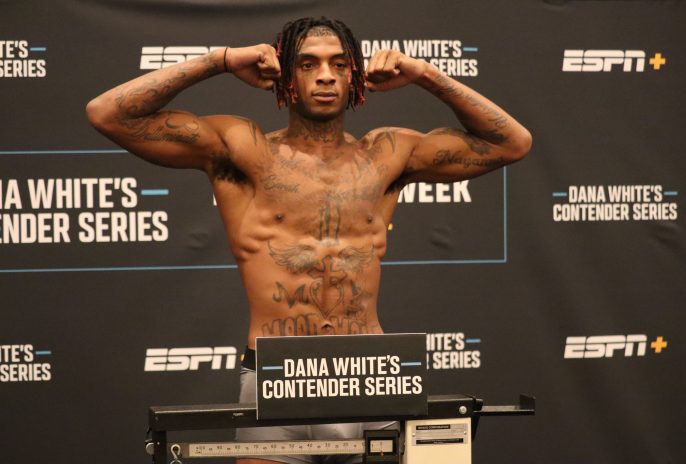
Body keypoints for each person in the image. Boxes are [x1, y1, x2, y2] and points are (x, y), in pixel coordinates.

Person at [87, 16, 531, 464]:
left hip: (371, 376)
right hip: (276, 378)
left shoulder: (388, 154)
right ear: (285, 76)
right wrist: (220, 60)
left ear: (355, 77)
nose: (325, 75)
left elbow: (513, 143)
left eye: (339, 64)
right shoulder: (243, 150)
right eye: (307, 64)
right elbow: (108, 114)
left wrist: (425, 74)